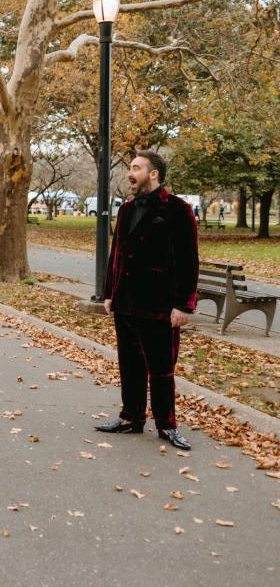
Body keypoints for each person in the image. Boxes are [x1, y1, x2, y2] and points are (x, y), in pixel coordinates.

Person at [96, 151, 198, 450]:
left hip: (160, 306)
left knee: (162, 370)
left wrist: (184, 305)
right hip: (126, 302)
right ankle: (131, 417)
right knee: (129, 365)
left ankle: (167, 425)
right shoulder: (127, 209)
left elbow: (189, 260)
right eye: (130, 167)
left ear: (153, 174)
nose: (130, 173)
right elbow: (116, 254)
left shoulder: (178, 209)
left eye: (136, 168)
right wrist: (110, 293)